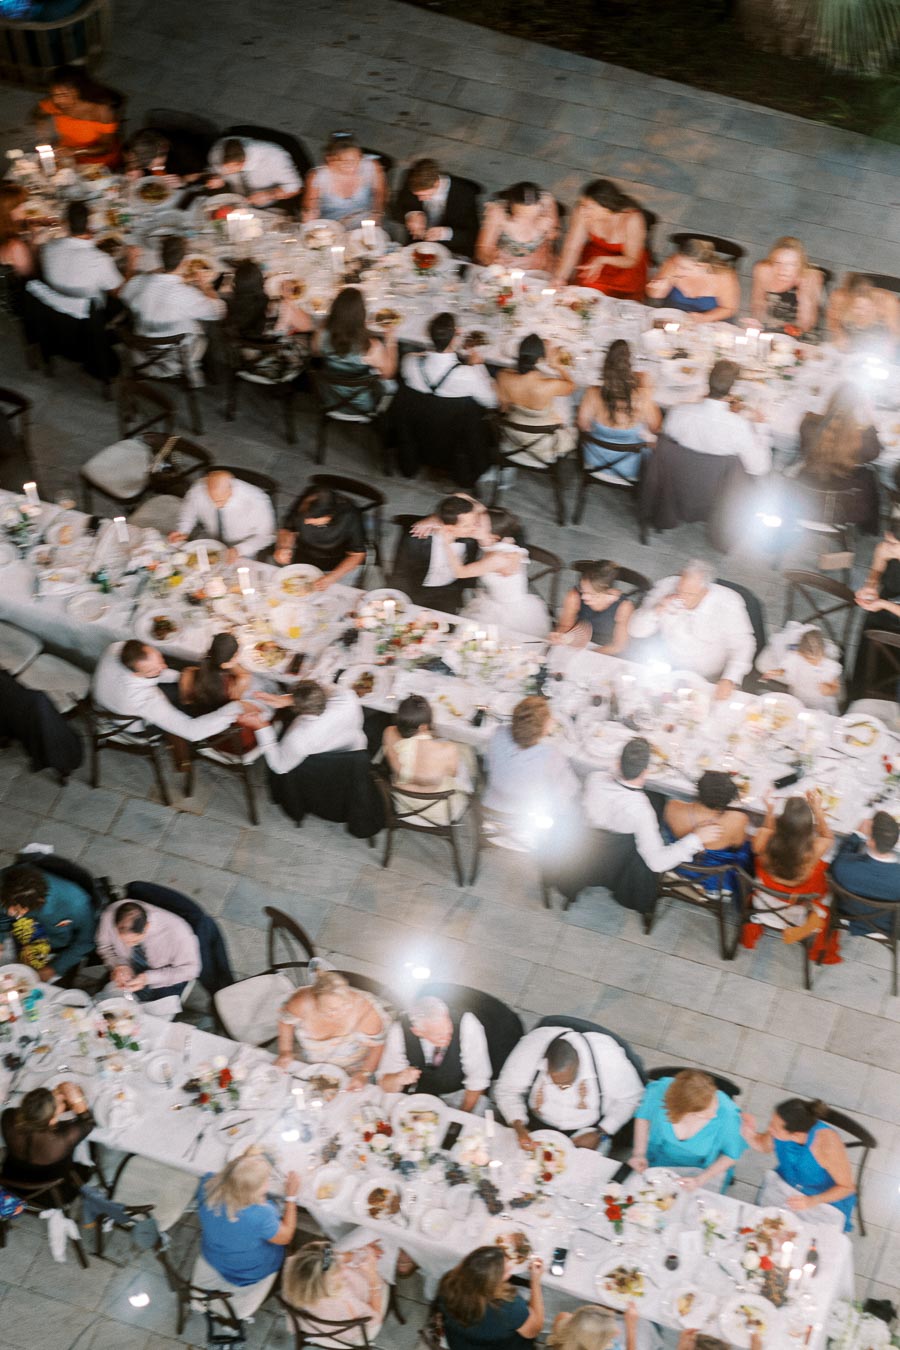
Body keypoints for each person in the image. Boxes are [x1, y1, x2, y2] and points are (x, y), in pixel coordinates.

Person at [494, 1024, 644, 1150]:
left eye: (568, 1083)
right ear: (545, 1063)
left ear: (579, 1063)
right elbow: (506, 1091)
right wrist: (518, 1124)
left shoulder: (607, 1058)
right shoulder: (531, 1049)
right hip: (534, 1125)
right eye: (556, 1083)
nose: (562, 1089)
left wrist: (602, 1132)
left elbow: (632, 1098)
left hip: (587, 1132)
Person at [584, 737, 722, 874]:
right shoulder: (641, 811)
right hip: (618, 856)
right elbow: (657, 863)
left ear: (618, 763)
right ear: (645, 772)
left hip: (590, 843)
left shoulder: (594, 778)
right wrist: (696, 838)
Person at [196, 1148, 300, 1318]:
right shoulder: (260, 1213)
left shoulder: (208, 1185)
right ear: (253, 1191)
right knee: (281, 1230)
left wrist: (247, 1164)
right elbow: (286, 1237)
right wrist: (291, 1197)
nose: (267, 1184)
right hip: (249, 1271)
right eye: (265, 1181)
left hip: (215, 1257)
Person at [628, 561, 756, 698]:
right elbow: (635, 631)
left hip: (711, 678)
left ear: (705, 592)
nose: (681, 597)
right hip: (668, 668)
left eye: (689, 594)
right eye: (679, 590)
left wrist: (730, 678)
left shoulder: (728, 602)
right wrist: (657, 609)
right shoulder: (665, 587)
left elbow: (744, 645)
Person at [92, 639, 254, 743]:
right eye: (154, 670)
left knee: (184, 676)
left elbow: (159, 672)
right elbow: (192, 731)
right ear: (137, 674)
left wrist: (183, 677)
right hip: (133, 725)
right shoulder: (146, 699)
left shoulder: (116, 647)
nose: (163, 667)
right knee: (191, 701)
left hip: (105, 699)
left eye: (160, 659)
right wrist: (235, 708)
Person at [120, 234, 226, 384]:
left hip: (142, 353)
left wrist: (132, 261)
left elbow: (124, 292)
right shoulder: (187, 294)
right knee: (208, 324)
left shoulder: (139, 282)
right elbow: (219, 311)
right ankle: (211, 374)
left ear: (160, 258)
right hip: (176, 359)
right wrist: (205, 285)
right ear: (184, 262)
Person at [741, 1098, 856, 1230]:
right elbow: (764, 1146)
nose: (769, 1129)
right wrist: (749, 1133)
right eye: (771, 1123)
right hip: (786, 1184)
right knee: (764, 1226)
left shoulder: (827, 1144)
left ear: (795, 1135)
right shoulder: (782, 1126)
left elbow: (847, 1188)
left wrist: (812, 1201)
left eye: (775, 1128)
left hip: (822, 1198)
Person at [746, 791, 834, 955]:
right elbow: (828, 837)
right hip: (798, 906)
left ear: (781, 821)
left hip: (764, 900)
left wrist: (770, 809)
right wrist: (818, 810)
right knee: (827, 879)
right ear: (808, 827)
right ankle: (809, 922)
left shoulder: (765, 839)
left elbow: (766, 830)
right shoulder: (813, 849)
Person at [630, 1069, 745, 1191]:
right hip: (657, 1160)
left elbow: (731, 1155)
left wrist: (700, 1180)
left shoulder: (728, 1115)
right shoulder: (660, 1091)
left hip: (703, 1171)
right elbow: (643, 1116)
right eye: (703, 1113)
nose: (714, 1115)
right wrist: (639, 1153)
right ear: (683, 1112)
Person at [275, 963, 390, 1085]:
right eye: (331, 1009)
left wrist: (364, 1073)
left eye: (344, 1005)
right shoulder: (302, 1002)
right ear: (315, 1001)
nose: (340, 1013)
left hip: (353, 1071)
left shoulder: (365, 1010)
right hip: (310, 1065)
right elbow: (285, 1022)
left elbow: (377, 1046)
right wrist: (285, 1051)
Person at [378, 993, 492, 1112]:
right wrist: (398, 1078)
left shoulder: (467, 1024)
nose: (447, 1038)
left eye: (449, 1030)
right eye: (439, 1035)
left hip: (459, 1093)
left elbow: (478, 1079)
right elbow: (385, 1085)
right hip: (419, 1095)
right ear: (417, 1032)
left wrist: (461, 1116)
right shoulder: (399, 1031)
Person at [795, 384, 882, 533]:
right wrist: (870, 418)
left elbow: (803, 450)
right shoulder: (862, 437)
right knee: (870, 473)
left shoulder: (808, 423)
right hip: (844, 511)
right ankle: (868, 530)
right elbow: (875, 454)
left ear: (831, 400)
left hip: (806, 502)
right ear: (858, 408)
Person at [662, 360, 771, 477]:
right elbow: (759, 468)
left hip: (679, 477)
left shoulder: (678, 412)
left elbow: (667, 439)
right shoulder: (739, 427)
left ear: (708, 382)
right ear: (732, 391)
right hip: (718, 486)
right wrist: (761, 426)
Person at [483, 695, 579, 825]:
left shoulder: (498, 734)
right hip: (525, 821)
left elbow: (488, 766)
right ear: (543, 730)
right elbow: (569, 791)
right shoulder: (551, 755)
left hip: (491, 811)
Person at [457, 507, 552, 638]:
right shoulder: (493, 544)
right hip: (492, 600)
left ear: (493, 536)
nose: (473, 524)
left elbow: (460, 572)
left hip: (511, 613)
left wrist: (446, 540)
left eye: (478, 524)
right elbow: (480, 510)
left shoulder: (499, 557)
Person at [382, 694, 473, 824]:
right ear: (423, 726)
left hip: (402, 803)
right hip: (438, 813)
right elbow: (453, 774)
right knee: (466, 757)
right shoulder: (449, 749)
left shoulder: (388, 732)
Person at [577, 339, 660, 481]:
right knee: (656, 440)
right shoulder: (642, 396)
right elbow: (656, 429)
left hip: (595, 463)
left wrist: (605, 431)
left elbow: (582, 426)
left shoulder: (592, 393)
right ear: (630, 366)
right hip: (631, 469)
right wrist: (648, 387)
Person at [283, 1238, 392, 1346]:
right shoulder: (344, 1297)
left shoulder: (294, 1267)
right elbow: (375, 1318)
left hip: (307, 1322)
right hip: (342, 1330)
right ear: (327, 1280)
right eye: (338, 1268)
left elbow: (327, 1257)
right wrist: (373, 1277)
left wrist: (358, 1255)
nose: (343, 1266)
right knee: (381, 1276)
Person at [553, 178, 649, 300]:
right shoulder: (583, 212)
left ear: (606, 208)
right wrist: (560, 278)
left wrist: (602, 260)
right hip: (595, 257)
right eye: (582, 204)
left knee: (620, 300)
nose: (583, 210)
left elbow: (632, 259)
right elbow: (572, 248)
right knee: (586, 292)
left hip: (626, 264)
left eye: (589, 207)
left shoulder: (632, 219)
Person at [248, 680, 367, 776]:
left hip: (323, 763)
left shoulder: (300, 736)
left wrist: (262, 727)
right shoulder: (347, 696)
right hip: (357, 746)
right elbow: (323, 685)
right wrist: (288, 699)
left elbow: (279, 767)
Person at [1, 861, 95, 982]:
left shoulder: (76, 904)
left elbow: (86, 942)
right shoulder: (5, 884)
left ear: (40, 901)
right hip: (19, 933)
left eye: (17, 909)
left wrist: (55, 968)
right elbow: (2, 916)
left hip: (56, 946)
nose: (10, 912)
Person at [393, 494, 486, 614]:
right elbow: (401, 574)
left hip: (450, 591)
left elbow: (469, 568)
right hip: (418, 591)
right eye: (466, 526)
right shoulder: (414, 540)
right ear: (448, 528)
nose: (474, 528)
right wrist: (402, 602)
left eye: (474, 522)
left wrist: (462, 593)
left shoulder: (471, 539)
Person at [438, 1245, 545, 1349]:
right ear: (491, 1283)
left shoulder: (449, 1281)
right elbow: (534, 1330)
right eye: (505, 1272)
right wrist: (535, 1281)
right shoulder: (508, 1307)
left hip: (459, 1343)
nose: (511, 1268)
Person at [1, 1083, 93, 1202]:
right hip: (48, 1192)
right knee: (90, 1152)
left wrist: (49, 1100)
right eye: (58, 1103)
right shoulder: (58, 1142)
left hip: (11, 1179)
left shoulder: (8, 1117)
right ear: (52, 1121)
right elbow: (88, 1123)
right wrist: (77, 1101)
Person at [96, 898, 200, 1004]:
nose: (128, 945)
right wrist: (118, 965)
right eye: (122, 940)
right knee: (102, 1005)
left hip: (164, 981)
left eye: (134, 941)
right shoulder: (109, 915)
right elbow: (105, 947)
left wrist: (148, 978)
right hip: (126, 973)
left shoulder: (178, 933)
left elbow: (191, 970)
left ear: (147, 926)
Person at [494, 333, 575, 466]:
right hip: (543, 444)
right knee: (565, 404)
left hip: (514, 436)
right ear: (540, 359)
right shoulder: (549, 385)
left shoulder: (502, 376)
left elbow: (503, 408)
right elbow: (571, 387)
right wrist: (558, 366)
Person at [663, 770, 753, 888]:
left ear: (699, 790)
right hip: (715, 877)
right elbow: (737, 846)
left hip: (678, 864)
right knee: (747, 847)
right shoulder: (739, 819)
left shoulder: (673, 806)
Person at [318, 285, 397, 414]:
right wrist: (390, 340)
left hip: (330, 399)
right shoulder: (370, 346)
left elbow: (316, 352)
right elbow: (388, 374)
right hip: (362, 406)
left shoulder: (321, 334)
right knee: (391, 384)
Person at [169, 467, 276, 561]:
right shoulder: (198, 489)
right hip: (211, 541)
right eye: (211, 499)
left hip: (243, 549)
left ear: (231, 490)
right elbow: (188, 512)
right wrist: (183, 530)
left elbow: (266, 536)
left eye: (219, 501)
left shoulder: (257, 500)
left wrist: (239, 550)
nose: (215, 505)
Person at [401, 311, 497, 407]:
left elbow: (410, 357)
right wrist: (478, 366)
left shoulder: (409, 362)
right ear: (454, 338)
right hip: (454, 414)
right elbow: (492, 402)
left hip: (421, 409)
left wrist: (424, 354)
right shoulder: (471, 375)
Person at [275, 485, 367, 585]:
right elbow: (287, 529)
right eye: (305, 517)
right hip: (303, 558)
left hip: (337, 566)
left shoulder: (350, 515)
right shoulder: (306, 501)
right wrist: (284, 547)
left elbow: (357, 555)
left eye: (312, 520)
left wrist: (332, 577)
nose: (305, 521)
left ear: (328, 517)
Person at [39, 199, 123, 308]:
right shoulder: (100, 260)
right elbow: (118, 292)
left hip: (53, 308)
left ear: (65, 224)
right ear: (89, 224)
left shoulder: (49, 246)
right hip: (89, 314)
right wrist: (132, 259)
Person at [33, 64, 121, 167]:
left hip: (99, 163)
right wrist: (42, 128)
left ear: (78, 91)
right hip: (68, 159)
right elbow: (37, 113)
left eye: (63, 95)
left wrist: (75, 151)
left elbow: (106, 147)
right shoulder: (56, 104)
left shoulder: (101, 110)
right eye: (53, 95)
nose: (56, 100)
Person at [392, 157, 480, 259]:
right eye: (416, 195)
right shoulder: (410, 178)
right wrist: (410, 215)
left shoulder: (465, 193)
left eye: (424, 195)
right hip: (416, 246)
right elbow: (396, 210)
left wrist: (445, 233)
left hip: (451, 250)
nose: (420, 199)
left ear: (436, 183)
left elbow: (472, 235)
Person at [831, 811, 900, 934]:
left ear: (870, 842)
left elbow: (841, 856)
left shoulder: (843, 866)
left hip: (848, 915)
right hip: (886, 925)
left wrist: (857, 834)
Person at [303, 131, 386, 228]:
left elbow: (380, 193)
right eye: (345, 161)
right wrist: (310, 214)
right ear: (330, 160)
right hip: (333, 227)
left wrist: (377, 213)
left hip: (367, 222)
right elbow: (310, 206)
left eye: (356, 160)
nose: (352, 165)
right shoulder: (318, 177)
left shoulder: (371, 166)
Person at [646, 238, 740, 322]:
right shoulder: (674, 262)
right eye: (677, 265)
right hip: (673, 319)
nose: (677, 271)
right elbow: (653, 294)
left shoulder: (724, 277)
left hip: (710, 324)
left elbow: (729, 309)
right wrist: (657, 288)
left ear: (703, 266)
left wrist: (705, 317)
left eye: (684, 268)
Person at [552, 560, 635, 654]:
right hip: (578, 644)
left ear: (608, 593)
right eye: (583, 590)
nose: (584, 597)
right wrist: (560, 635)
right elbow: (565, 626)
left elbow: (618, 646)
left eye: (591, 594)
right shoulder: (575, 595)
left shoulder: (624, 606)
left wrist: (588, 653)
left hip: (605, 651)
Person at [475, 182, 559, 274]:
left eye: (532, 217)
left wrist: (550, 229)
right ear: (510, 208)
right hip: (504, 269)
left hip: (537, 272)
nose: (526, 222)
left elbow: (552, 237)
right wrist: (493, 262)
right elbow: (483, 250)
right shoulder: (499, 212)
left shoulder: (546, 209)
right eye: (520, 217)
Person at [757, 627, 842, 713]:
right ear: (800, 653)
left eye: (818, 658)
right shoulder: (795, 659)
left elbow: (835, 687)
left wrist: (829, 690)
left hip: (820, 704)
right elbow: (787, 670)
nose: (815, 662)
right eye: (809, 659)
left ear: (823, 652)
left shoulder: (828, 666)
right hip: (799, 698)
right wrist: (776, 672)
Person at [751, 237, 824, 335]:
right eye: (778, 262)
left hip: (801, 336)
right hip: (768, 331)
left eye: (791, 264)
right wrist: (756, 326)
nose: (783, 269)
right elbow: (757, 305)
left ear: (801, 265)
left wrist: (804, 298)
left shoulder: (810, 277)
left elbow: (806, 326)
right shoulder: (763, 270)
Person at [208, 135, 302, 207]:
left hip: (269, 206)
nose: (225, 171)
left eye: (229, 168)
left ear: (242, 163)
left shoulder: (275, 158)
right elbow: (212, 169)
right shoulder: (219, 149)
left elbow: (297, 187)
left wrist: (270, 195)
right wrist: (215, 177)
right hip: (235, 199)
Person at [827, 272, 899, 356]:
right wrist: (838, 333)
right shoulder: (839, 298)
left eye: (866, 308)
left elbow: (896, 332)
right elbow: (833, 320)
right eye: (856, 307)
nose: (861, 313)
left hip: (878, 343)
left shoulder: (887, 302)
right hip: (850, 345)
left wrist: (889, 346)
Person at [549, 1305, 638, 1350]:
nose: (618, 1331)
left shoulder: (563, 1319)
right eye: (606, 1334)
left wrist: (603, 1315)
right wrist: (631, 1327)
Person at [0, 183, 36, 281]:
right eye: (20, 205)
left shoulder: (4, 229)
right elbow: (30, 277)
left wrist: (37, 221)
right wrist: (34, 242)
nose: (25, 207)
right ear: (10, 210)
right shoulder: (16, 247)